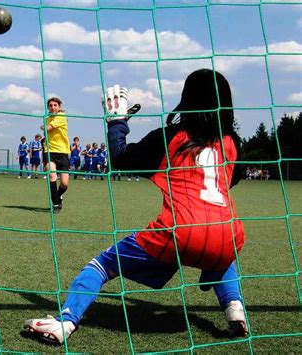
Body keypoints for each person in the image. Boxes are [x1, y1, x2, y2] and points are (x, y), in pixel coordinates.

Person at [24, 70, 248, 344]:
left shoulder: (171, 137)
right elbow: (231, 179)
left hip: (178, 232)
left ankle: (65, 322)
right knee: (221, 252)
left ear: (186, 99)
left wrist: (117, 122)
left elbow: (119, 157)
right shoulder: (233, 144)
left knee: (102, 265)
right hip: (229, 233)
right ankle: (235, 309)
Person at [41, 97, 70, 213]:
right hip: (49, 151)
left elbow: (48, 128)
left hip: (62, 152)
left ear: (59, 107)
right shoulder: (47, 118)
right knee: (52, 177)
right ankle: (56, 204)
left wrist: (44, 127)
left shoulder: (62, 116)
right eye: (50, 105)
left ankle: (58, 197)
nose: (52, 107)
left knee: (64, 184)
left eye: (55, 105)